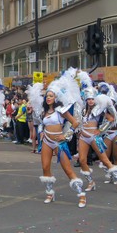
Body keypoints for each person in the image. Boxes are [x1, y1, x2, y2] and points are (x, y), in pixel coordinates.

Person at [32, 79, 87, 208]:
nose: (48, 98)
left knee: (67, 170)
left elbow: (75, 123)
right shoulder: (44, 111)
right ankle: (50, 193)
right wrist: (41, 132)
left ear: (56, 98)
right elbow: (41, 124)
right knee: (45, 167)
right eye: (47, 96)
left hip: (59, 142)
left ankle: (81, 194)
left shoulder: (61, 110)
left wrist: (66, 135)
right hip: (46, 141)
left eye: (51, 96)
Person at [78, 87, 117, 195]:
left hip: (94, 137)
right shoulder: (83, 110)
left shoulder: (99, 110)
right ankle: (90, 182)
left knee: (105, 160)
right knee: (82, 160)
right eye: (88, 99)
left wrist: (100, 130)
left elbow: (111, 119)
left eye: (92, 99)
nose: (90, 101)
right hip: (83, 137)